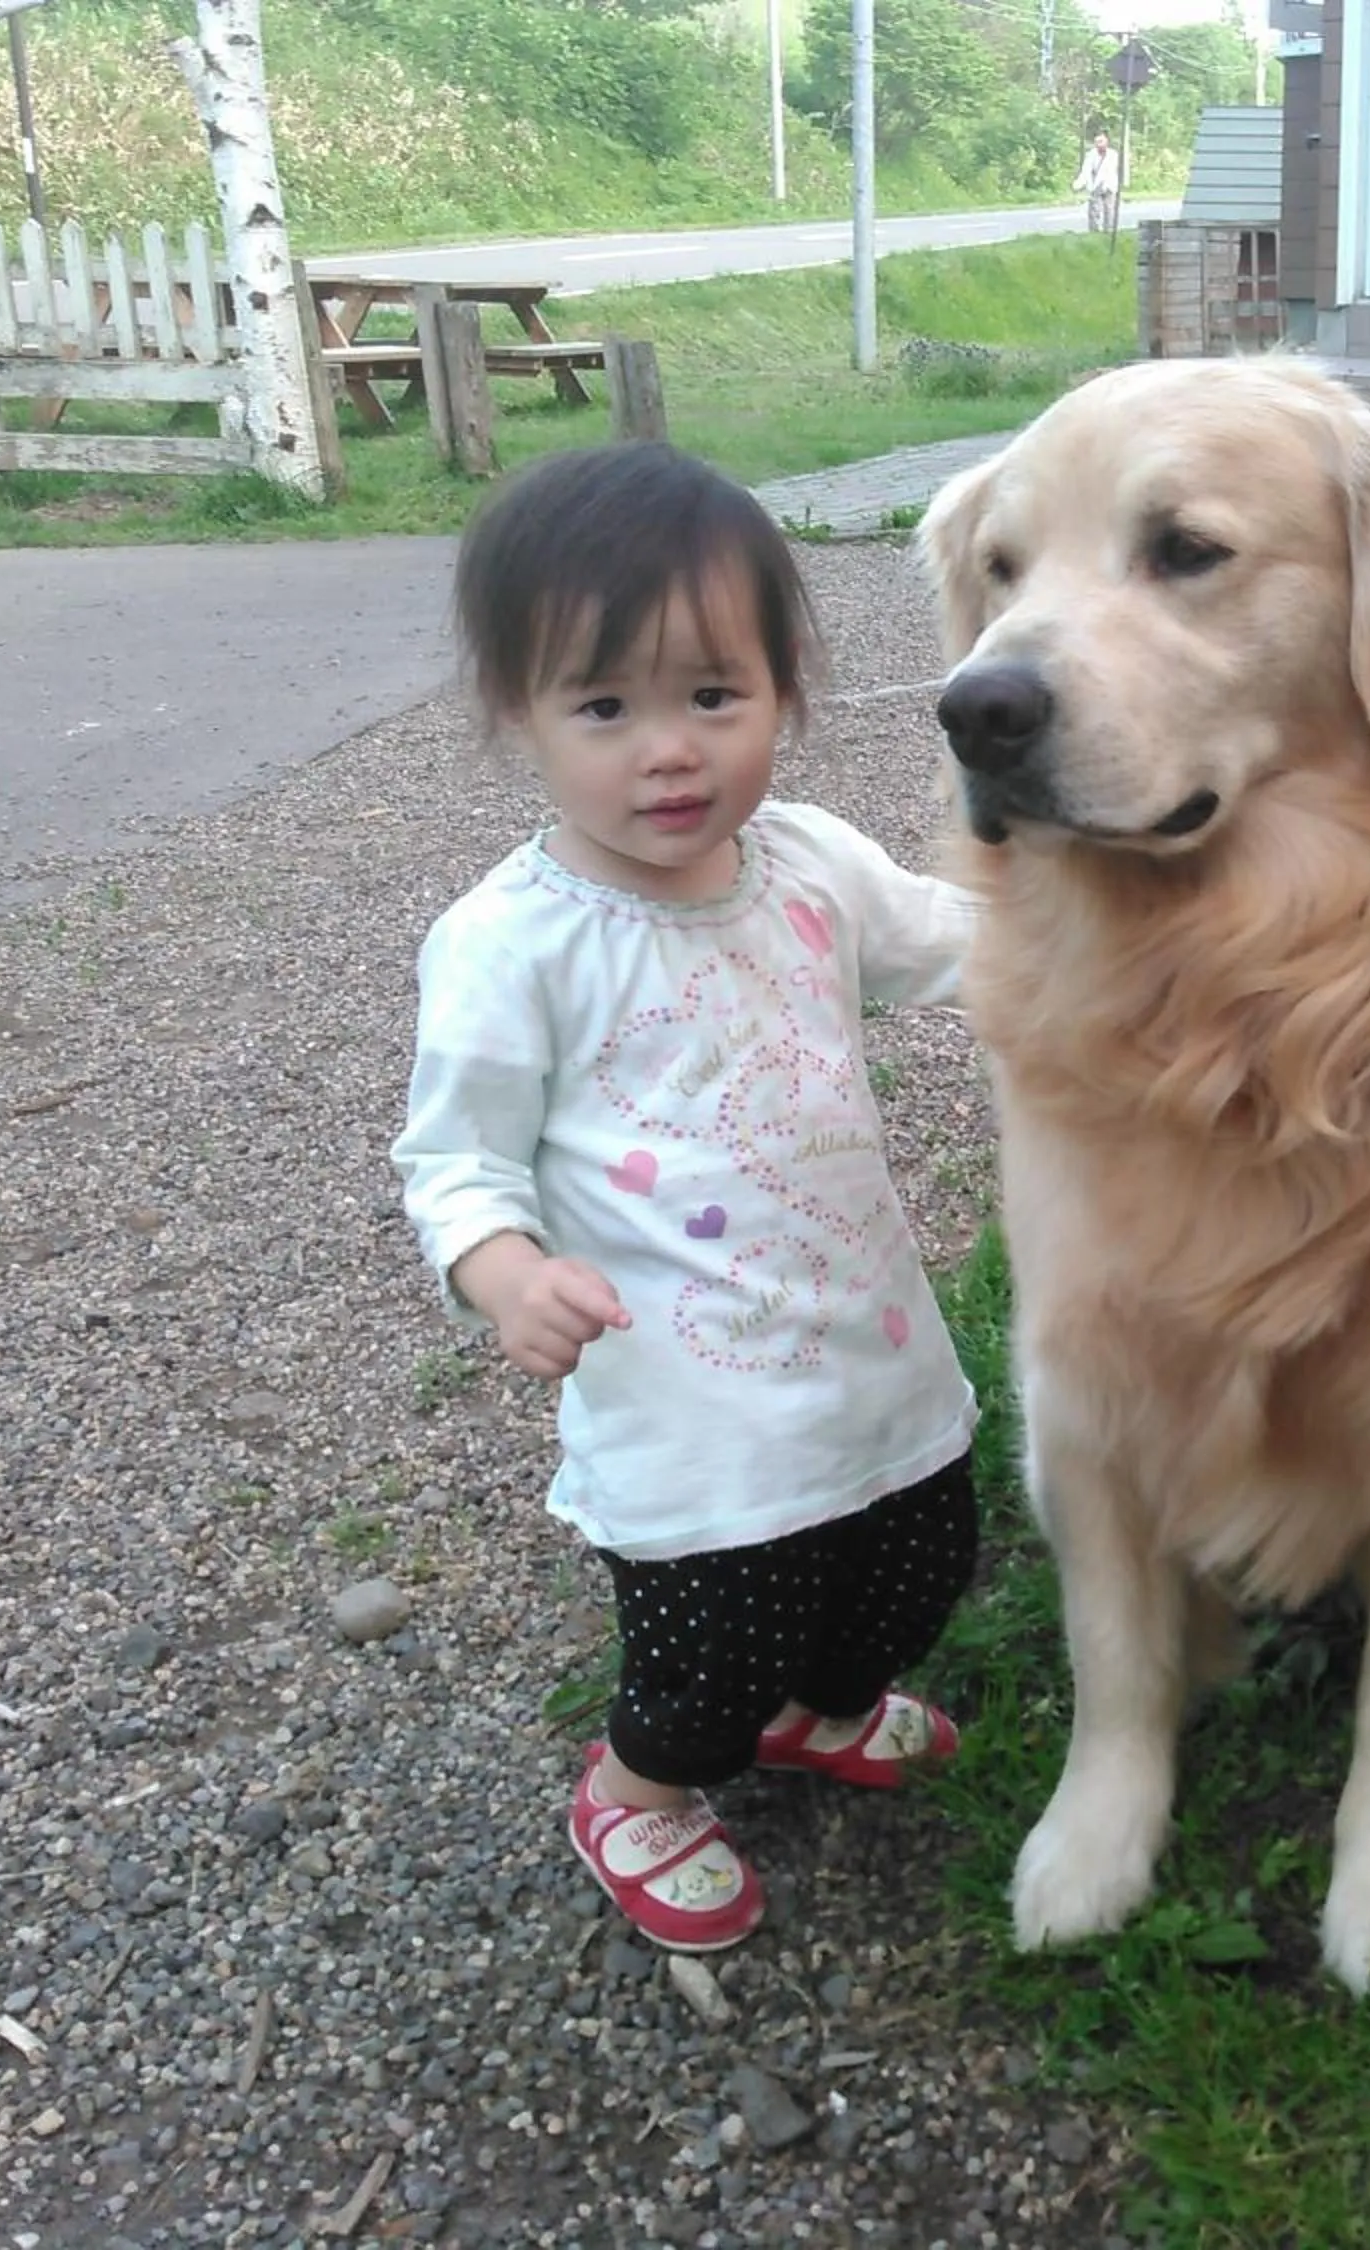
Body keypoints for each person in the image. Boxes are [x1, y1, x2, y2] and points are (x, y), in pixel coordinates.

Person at [391, 442, 984, 1954]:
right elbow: (454, 1158)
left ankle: (823, 1708)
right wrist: (506, 1270)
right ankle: (641, 1789)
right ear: (517, 714)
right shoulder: (512, 942)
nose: (669, 751)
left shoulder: (810, 864)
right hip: (692, 1417)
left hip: (869, 1349)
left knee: (920, 1560)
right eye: (605, 707)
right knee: (712, 1656)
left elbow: (961, 941)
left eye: (712, 696)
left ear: (786, 690)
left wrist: (1131, 913)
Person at [1074, 127, 1123, 235]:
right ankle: (1094, 231)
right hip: (1095, 186)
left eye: (1101, 141)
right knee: (1094, 210)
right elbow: (1086, 170)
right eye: (1096, 142)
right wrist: (1079, 184)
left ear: (1106, 142)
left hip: (1109, 185)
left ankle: (1108, 231)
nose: (1099, 144)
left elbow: (1110, 171)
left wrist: (1107, 185)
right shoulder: (1091, 155)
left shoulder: (1113, 155)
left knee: (1109, 209)